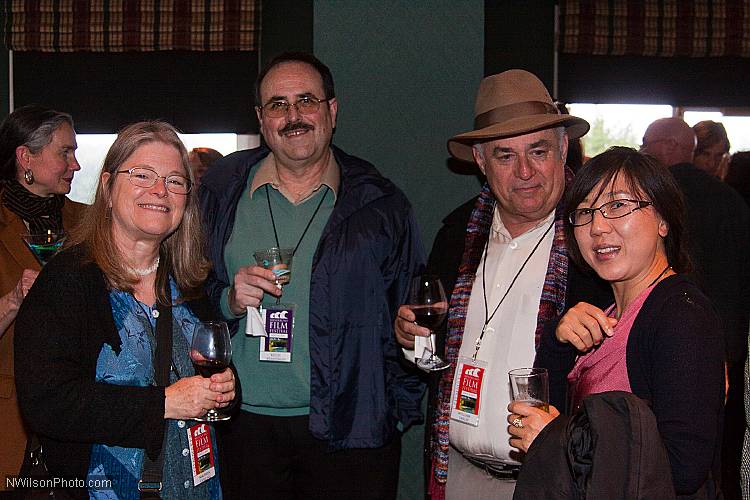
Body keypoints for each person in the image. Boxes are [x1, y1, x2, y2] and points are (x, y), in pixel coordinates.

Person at [199, 52, 424, 499]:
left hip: (349, 433)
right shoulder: (221, 191)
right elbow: (184, 290)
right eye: (278, 105)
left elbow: (413, 314)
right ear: (262, 120)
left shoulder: (380, 204)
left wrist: (395, 413)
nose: (294, 116)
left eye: (306, 100)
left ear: (331, 111)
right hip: (242, 430)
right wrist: (227, 299)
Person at [395, 69, 611, 499]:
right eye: (505, 155)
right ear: (480, 161)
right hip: (455, 471)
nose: (526, 172)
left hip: (556, 479)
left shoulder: (598, 238)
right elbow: (438, 351)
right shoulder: (455, 235)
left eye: (539, 150)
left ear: (563, 149)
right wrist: (412, 340)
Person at [14, 121, 236, 498]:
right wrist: (164, 404)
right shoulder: (68, 281)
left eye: (174, 180)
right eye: (142, 175)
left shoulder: (190, 283)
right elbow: (47, 402)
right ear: (107, 188)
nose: (159, 190)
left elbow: (205, 369)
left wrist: (226, 387)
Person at [514, 147, 724, 496]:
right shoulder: (603, 314)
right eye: (584, 213)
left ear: (663, 219)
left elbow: (682, 469)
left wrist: (556, 440)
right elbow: (557, 407)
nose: (597, 226)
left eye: (617, 205)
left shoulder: (682, 316)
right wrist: (557, 342)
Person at [642, 117, 750, 500]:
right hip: (729, 345)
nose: (642, 151)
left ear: (668, 146)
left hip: (669, 339)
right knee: (721, 450)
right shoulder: (731, 200)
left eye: (645, 144)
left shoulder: (655, 202)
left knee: (667, 447)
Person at [0, 105, 86, 487]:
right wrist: (15, 300)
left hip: (78, 415)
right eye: (64, 152)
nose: (76, 165)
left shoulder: (89, 223)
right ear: (25, 157)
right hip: (10, 424)